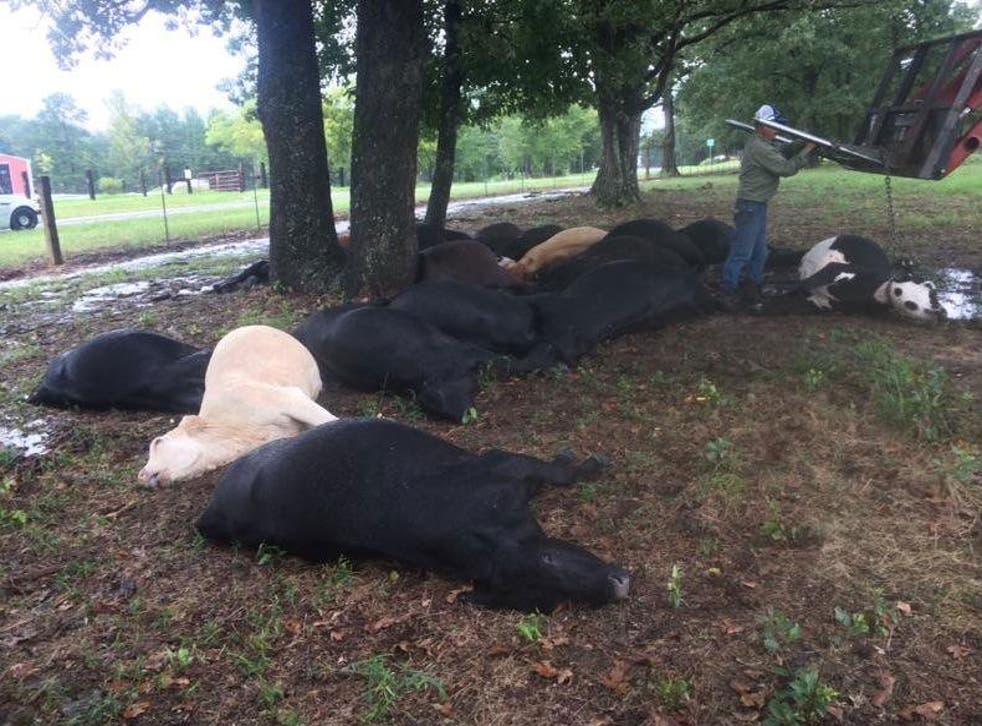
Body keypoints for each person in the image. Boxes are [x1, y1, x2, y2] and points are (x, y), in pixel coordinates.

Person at [720, 104, 816, 308]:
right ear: (762, 126)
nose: (778, 131)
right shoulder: (760, 147)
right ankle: (729, 290)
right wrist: (807, 150)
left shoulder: (763, 142)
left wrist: (800, 144)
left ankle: (752, 286)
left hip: (758, 205)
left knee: (760, 252)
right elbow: (785, 168)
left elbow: (781, 151)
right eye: (774, 127)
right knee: (742, 252)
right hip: (750, 206)